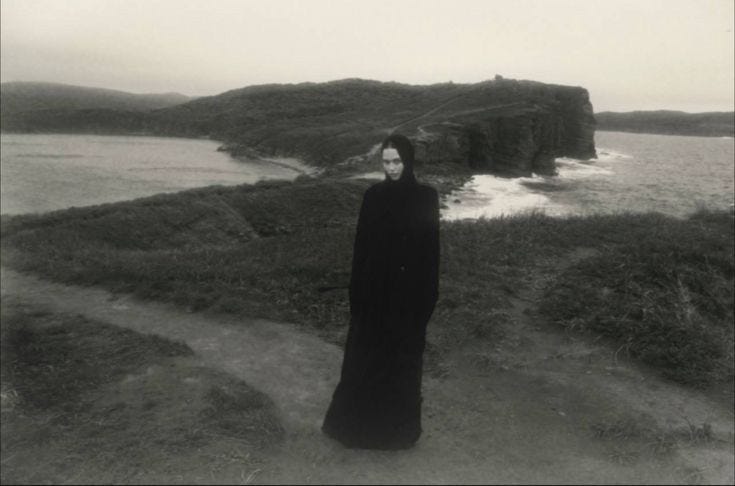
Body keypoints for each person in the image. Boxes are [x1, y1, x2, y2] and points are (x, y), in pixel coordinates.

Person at [321, 133, 440, 450]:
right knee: (365, 360)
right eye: (386, 162)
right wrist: (357, 296)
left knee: (401, 362)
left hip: (407, 296)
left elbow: (431, 253)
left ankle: (395, 434)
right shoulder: (372, 196)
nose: (392, 168)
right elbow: (361, 249)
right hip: (373, 295)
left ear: (408, 160)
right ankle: (357, 431)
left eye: (397, 161)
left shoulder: (426, 197)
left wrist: (428, 299)